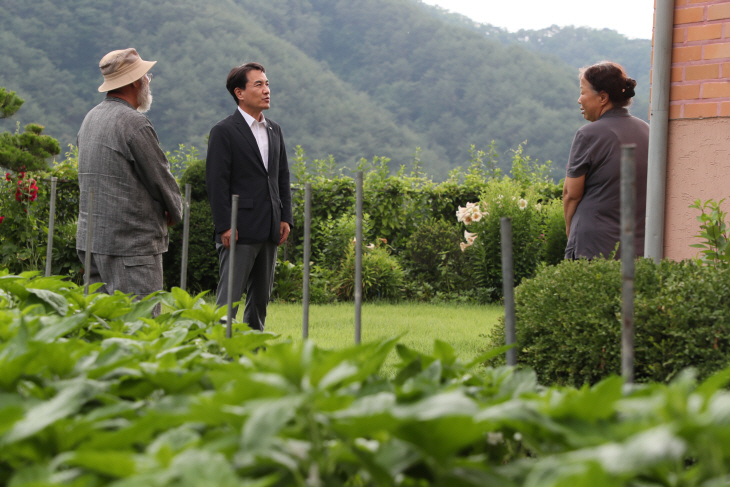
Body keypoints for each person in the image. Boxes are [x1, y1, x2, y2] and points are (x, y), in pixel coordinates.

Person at [76, 48, 183, 314]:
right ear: (136, 81)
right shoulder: (134, 123)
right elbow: (161, 177)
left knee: (100, 328)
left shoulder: (91, 118)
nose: (148, 81)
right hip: (131, 245)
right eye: (146, 76)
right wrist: (175, 210)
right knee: (139, 328)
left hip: (91, 242)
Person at [206, 62, 293, 331]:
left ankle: (253, 356)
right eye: (259, 84)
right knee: (228, 302)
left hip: (270, 227)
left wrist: (285, 217)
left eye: (267, 84)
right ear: (239, 92)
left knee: (260, 302)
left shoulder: (274, 129)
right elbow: (216, 182)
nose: (267, 90)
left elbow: (282, 177)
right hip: (239, 228)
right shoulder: (224, 131)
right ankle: (220, 353)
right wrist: (224, 225)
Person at [563, 61, 649, 260]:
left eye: (583, 92)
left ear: (602, 97)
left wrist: (570, 230)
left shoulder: (588, 134)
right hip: (636, 246)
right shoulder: (647, 130)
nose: (579, 100)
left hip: (593, 245)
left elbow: (571, 194)